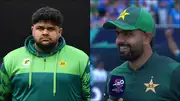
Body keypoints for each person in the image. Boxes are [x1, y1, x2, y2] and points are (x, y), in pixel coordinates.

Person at [0, 6, 90, 101]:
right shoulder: (12, 59)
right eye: (40, 28)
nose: (45, 32)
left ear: (59, 32)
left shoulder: (81, 58)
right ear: (32, 30)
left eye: (51, 29)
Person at [102, 5, 180, 101]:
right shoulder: (114, 76)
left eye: (128, 34)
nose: (119, 40)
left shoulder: (174, 73)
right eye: (118, 34)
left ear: (147, 38)